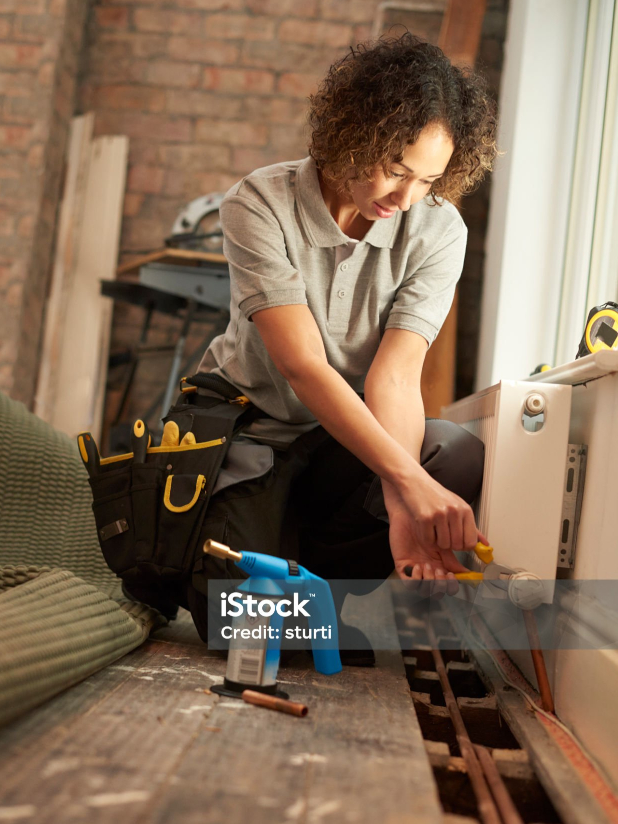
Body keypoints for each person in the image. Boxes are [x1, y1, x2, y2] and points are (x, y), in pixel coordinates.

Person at [191, 32, 497, 653]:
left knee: (454, 455)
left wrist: (403, 504)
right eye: (396, 169)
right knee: (233, 630)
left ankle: (325, 593)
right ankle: (304, 602)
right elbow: (302, 366)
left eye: (428, 180)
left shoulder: (438, 230)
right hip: (251, 428)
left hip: (343, 439)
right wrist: (407, 489)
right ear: (355, 133)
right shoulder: (259, 203)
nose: (404, 199)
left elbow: (393, 378)